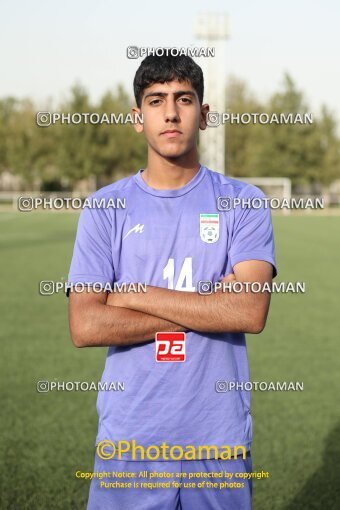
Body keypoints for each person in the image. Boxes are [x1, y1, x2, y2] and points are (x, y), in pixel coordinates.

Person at [67, 53, 277, 510]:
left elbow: (249, 311)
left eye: (184, 99)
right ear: (137, 118)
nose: (170, 112)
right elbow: (86, 326)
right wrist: (209, 305)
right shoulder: (105, 208)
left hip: (216, 441)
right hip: (131, 440)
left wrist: (136, 296)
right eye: (155, 100)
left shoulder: (244, 202)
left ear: (203, 115)